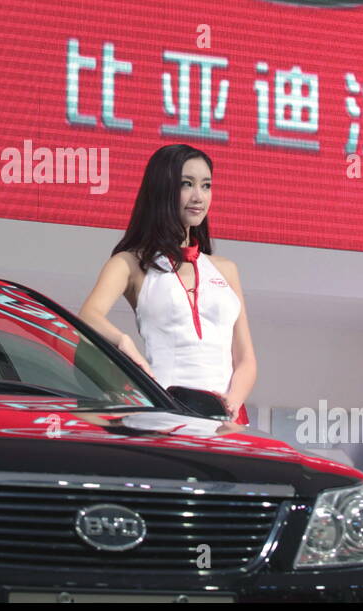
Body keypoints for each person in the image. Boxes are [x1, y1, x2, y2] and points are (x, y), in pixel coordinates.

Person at [78, 143, 257, 423]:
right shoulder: (130, 263)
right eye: (187, 184)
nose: (199, 196)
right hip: (164, 411)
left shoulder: (226, 269)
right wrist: (124, 342)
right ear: (162, 189)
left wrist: (231, 403)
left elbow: (245, 358)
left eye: (206, 185)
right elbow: (88, 316)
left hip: (226, 420)